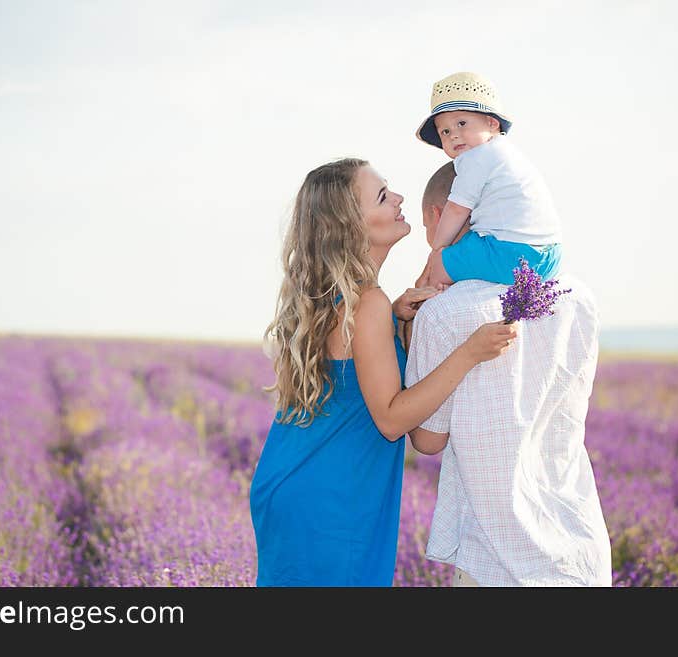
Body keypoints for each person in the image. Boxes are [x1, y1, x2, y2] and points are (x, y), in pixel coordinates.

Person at [249, 158, 518, 586]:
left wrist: (397, 323)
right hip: (333, 501)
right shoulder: (367, 303)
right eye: (381, 196)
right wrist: (469, 353)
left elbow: (349, 379)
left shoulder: (344, 300)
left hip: (297, 484)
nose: (398, 199)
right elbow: (392, 420)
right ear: (350, 225)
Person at [405, 161, 612, 587]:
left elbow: (427, 440)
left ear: (437, 215)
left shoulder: (443, 314)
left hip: (498, 557)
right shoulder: (577, 297)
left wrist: (410, 333)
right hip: (581, 543)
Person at [414, 71, 563, 290]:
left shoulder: (475, 157)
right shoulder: (507, 153)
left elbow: (456, 209)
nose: (453, 134)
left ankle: (434, 302)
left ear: (492, 123)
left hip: (513, 253)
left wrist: (438, 251)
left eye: (462, 123)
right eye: (445, 131)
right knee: (466, 251)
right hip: (551, 255)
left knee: (439, 267)